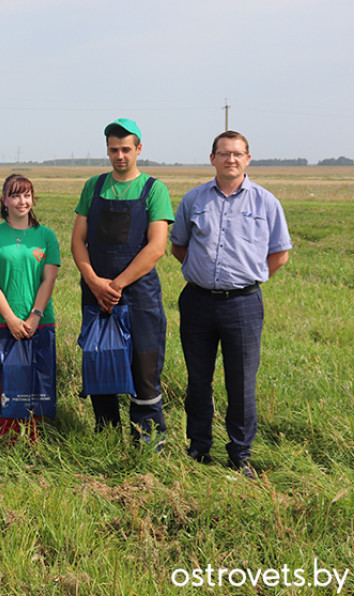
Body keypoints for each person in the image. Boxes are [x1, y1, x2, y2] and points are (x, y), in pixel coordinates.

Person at [170, 131, 291, 479]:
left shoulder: (266, 202)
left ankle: (240, 455)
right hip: (197, 302)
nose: (231, 160)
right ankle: (198, 448)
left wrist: (248, 277)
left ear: (248, 159)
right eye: (224, 154)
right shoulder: (194, 200)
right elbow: (179, 246)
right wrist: (202, 272)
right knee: (198, 379)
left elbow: (279, 254)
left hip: (243, 304)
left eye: (237, 154)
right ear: (212, 159)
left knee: (240, 383)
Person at [70, 118, 173, 447]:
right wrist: (94, 281)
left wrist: (115, 285)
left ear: (139, 149)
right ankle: (107, 440)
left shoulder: (154, 189)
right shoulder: (94, 187)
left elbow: (156, 247)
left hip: (139, 297)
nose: (119, 156)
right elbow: (77, 242)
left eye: (126, 149)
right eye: (113, 149)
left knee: (144, 369)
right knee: (101, 364)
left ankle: (148, 443)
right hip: (96, 296)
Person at [0, 174, 60, 439]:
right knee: (6, 381)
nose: (21, 201)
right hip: (2, 321)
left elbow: (49, 278)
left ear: (33, 198)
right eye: (14, 195)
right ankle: (10, 438)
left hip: (41, 320)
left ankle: (35, 437)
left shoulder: (46, 236)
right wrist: (11, 319)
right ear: (4, 200)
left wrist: (35, 316)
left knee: (37, 381)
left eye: (26, 195)